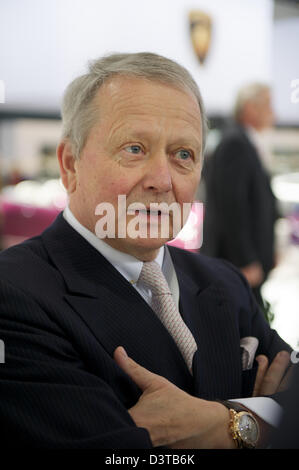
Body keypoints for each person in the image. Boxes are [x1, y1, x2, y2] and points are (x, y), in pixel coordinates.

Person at [0, 53, 292, 449]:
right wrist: (264, 416)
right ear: (70, 165)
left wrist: (226, 425)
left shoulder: (225, 284)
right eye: (134, 148)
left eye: (183, 154)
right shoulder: (14, 295)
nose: (162, 180)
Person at [201, 83, 278, 306]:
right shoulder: (235, 143)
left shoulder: (244, 142)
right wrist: (246, 260)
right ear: (251, 108)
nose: (274, 113)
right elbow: (232, 207)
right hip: (237, 267)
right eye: (268, 105)